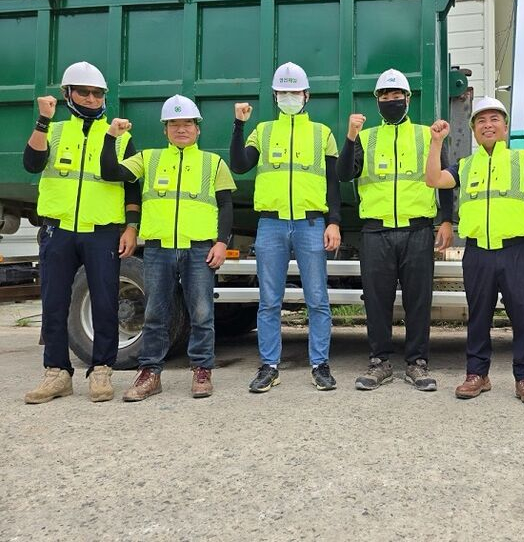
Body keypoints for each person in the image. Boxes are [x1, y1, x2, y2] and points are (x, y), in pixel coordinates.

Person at [99, 95, 236, 400]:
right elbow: (110, 172)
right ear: (165, 130)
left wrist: (221, 242)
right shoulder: (148, 158)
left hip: (199, 249)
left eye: (187, 123)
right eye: (174, 124)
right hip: (159, 249)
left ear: (198, 128)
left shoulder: (213, 163)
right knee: (155, 314)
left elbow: (226, 205)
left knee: (202, 313)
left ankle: (202, 370)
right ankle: (150, 373)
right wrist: (111, 137)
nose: (181, 129)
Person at [23, 61, 140, 404]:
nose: (91, 99)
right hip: (58, 230)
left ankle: (101, 370)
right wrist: (43, 120)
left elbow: (133, 187)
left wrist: (131, 227)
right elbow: (31, 163)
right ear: (68, 94)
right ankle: (56, 373)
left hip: (101, 232)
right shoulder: (55, 130)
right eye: (84, 92)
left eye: (97, 93)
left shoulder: (121, 136)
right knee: (54, 303)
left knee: (104, 303)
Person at [425, 97, 524, 405]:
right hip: (477, 252)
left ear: (505, 127)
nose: (488, 125)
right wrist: (436, 143)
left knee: (523, 315)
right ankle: (477, 374)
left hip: (515, 250)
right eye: (481, 121)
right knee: (478, 316)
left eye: (494, 119)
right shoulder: (466, 165)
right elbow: (433, 179)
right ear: (473, 130)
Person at [337, 68, 454, 392]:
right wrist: (350, 136)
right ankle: (379, 363)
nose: (392, 100)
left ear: (408, 99)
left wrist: (446, 220)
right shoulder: (366, 137)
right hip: (376, 231)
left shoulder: (425, 135)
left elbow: (445, 179)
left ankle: (417, 363)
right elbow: (344, 174)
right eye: (385, 96)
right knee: (377, 301)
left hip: (417, 229)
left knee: (419, 300)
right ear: (377, 101)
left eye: (397, 95)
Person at [229, 62, 341, 393]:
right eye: (283, 92)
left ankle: (320, 366)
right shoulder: (262, 131)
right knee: (269, 301)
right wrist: (238, 125)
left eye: (295, 92)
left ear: (307, 96)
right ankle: (269, 366)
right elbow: (239, 165)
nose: (289, 97)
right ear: (275, 96)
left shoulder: (323, 133)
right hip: (271, 224)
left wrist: (334, 222)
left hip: (311, 223)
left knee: (317, 299)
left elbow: (333, 184)